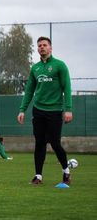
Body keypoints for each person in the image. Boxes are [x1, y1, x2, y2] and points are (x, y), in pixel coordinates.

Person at [17, 36, 73, 185]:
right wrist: (22, 110)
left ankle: (66, 172)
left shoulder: (60, 65)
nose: (42, 47)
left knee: (55, 143)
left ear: (50, 48)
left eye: (44, 45)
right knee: (40, 143)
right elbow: (29, 91)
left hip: (55, 110)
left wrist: (68, 109)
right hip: (38, 110)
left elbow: (67, 87)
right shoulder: (35, 68)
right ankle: (38, 176)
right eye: (39, 45)